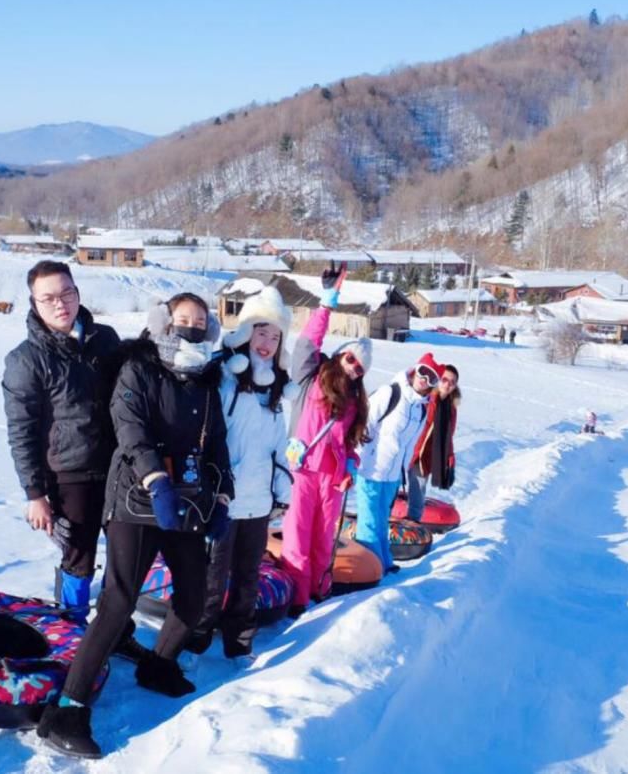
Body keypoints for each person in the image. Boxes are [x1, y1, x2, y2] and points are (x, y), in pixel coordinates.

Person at [38, 293, 234, 759]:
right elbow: (131, 429)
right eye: (182, 319)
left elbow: (218, 444)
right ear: (165, 322)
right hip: (135, 499)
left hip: (185, 504)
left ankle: (159, 664)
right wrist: (156, 480)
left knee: (192, 596)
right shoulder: (139, 368)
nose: (190, 327)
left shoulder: (207, 380)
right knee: (118, 600)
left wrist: (223, 495)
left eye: (198, 321)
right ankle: (68, 708)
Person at [2, 260, 120, 617]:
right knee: (78, 554)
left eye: (66, 293)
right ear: (35, 304)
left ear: (77, 293)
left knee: (126, 554)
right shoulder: (26, 360)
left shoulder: (107, 340)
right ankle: (72, 627)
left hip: (118, 466)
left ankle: (117, 631)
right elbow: (21, 431)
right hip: (70, 474)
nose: (60, 303)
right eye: (48, 297)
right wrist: (35, 494)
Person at [186, 285, 296, 664]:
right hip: (224, 498)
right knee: (213, 577)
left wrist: (284, 488)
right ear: (246, 333)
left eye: (275, 336)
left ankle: (239, 641)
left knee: (249, 576)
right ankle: (197, 638)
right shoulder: (224, 377)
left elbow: (280, 445)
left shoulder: (277, 389)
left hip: (259, 501)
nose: (267, 342)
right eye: (261, 332)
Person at [280, 263, 370, 618]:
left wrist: (351, 463)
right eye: (351, 359)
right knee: (298, 535)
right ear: (339, 355)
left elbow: (349, 441)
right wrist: (328, 301)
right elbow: (307, 341)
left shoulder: (354, 399)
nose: (353, 369)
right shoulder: (311, 375)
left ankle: (320, 588)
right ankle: (298, 598)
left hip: (334, 479)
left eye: (360, 368)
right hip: (303, 470)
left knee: (323, 538)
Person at [354, 353, 439, 573]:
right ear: (415, 369)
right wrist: (358, 457)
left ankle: (383, 561)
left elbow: (409, 445)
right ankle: (368, 567)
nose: (425, 380)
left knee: (382, 519)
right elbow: (365, 424)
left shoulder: (421, 408)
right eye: (424, 372)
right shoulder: (391, 392)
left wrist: (404, 470)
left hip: (392, 476)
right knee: (369, 521)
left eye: (432, 378)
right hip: (371, 469)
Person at [406, 363, 460, 520]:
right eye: (445, 379)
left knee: (418, 495)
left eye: (452, 382)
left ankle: (412, 533)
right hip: (409, 450)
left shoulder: (451, 408)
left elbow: (448, 437)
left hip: (426, 458)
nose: (448, 384)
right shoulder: (427, 397)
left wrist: (450, 460)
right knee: (391, 489)